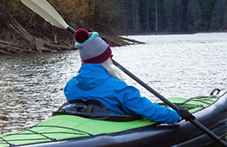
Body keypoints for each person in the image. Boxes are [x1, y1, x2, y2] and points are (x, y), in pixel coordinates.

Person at [63, 28, 193, 124]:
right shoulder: (118, 88)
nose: (112, 61)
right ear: (105, 61)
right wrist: (176, 116)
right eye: (110, 58)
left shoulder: (70, 86)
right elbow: (146, 109)